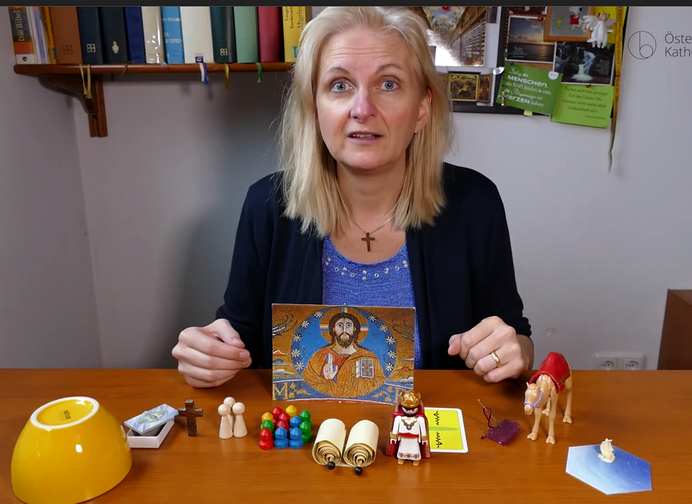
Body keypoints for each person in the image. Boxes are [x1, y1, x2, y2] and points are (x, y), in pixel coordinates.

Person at [172, 6, 533, 389]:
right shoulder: (267, 205)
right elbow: (239, 338)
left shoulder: (475, 203)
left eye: (388, 84)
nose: (363, 110)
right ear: (314, 108)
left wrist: (514, 352)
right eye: (340, 85)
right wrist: (210, 354)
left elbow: (516, 337)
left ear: (421, 109)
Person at [302, 311, 386, 398]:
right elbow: (308, 379)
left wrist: (332, 383)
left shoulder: (367, 356)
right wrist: (326, 378)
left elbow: (378, 382)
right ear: (334, 329)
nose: (344, 330)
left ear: (354, 329)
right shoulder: (320, 355)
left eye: (348, 325)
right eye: (340, 325)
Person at [385, 389, 431, 465]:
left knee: (415, 448)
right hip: (403, 438)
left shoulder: (420, 419)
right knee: (402, 448)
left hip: (415, 438)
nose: (410, 411)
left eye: (413, 409)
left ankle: (415, 459)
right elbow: (395, 428)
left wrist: (424, 439)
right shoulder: (398, 418)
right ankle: (401, 458)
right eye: (407, 409)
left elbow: (423, 429)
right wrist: (393, 437)